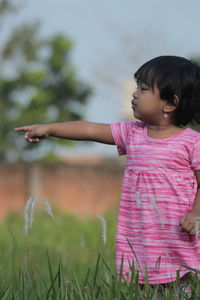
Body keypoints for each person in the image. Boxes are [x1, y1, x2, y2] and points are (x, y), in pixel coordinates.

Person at [15, 55, 200, 296]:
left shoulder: (191, 143)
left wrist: (196, 214)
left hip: (178, 236)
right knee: (141, 286)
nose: (135, 94)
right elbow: (90, 129)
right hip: (140, 236)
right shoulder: (132, 134)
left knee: (180, 287)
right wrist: (50, 129)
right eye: (137, 87)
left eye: (143, 89)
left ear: (170, 103)